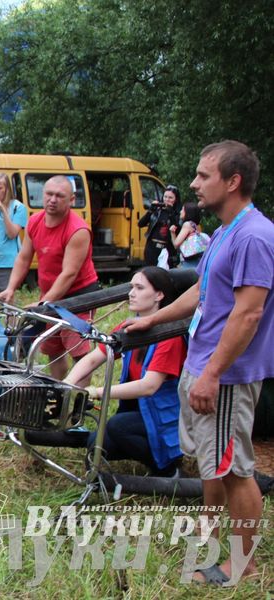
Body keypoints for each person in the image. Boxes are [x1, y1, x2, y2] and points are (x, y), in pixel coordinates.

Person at [126, 140, 272, 586]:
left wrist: (211, 374)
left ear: (233, 181)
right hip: (205, 365)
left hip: (225, 376)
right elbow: (201, 293)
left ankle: (240, 565)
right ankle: (209, 536)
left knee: (234, 470)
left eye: (203, 175)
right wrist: (152, 318)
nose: (193, 183)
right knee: (211, 464)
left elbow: (249, 313)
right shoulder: (226, 229)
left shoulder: (254, 236)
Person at [65, 267, 186, 476]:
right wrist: (66, 384)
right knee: (96, 443)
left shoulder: (171, 335)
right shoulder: (128, 327)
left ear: (159, 295)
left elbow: (149, 386)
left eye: (139, 288)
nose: (131, 293)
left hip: (164, 418)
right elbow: (94, 358)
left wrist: (96, 392)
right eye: (131, 287)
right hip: (140, 412)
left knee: (117, 426)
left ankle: (168, 470)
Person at [0, 175, 100, 380]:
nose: (53, 199)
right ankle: (58, 393)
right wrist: (11, 288)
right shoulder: (35, 221)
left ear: (71, 200)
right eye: (49, 194)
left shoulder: (78, 230)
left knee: (78, 351)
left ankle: (79, 402)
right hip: (52, 294)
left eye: (59, 196)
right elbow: (24, 258)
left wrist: (45, 302)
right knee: (52, 348)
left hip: (78, 295)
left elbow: (69, 273)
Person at [139, 184, 180, 268]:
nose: (167, 200)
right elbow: (140, 224)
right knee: (150, 273)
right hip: (152, 247)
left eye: (170, 198)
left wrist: (171, 213)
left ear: (175, 200)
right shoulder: (157, 210)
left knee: (164, 276)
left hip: (167, 248)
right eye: (165, 197)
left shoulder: (178, 213)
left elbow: (177, 229)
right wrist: (150, 210)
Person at [170, 202, 209, 270]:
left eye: (182, 210)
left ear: (187, 212)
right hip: (198, 261)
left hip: (189, 263)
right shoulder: (196, 226)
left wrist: (172, 233)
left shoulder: (187, 224)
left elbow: (176, 244)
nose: (180, 212)